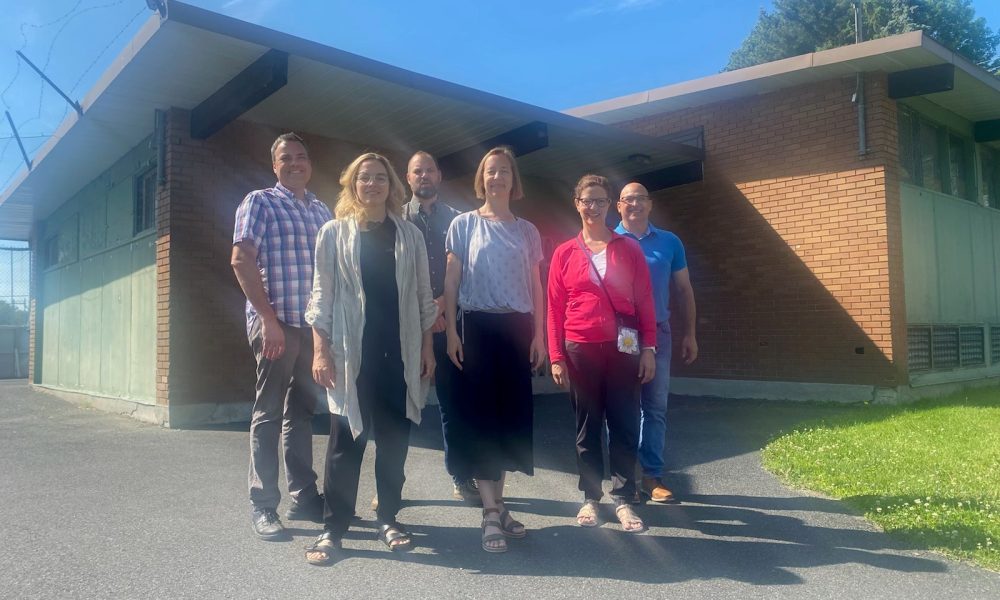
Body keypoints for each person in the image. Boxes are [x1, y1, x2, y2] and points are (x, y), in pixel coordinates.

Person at [303, 152, 436, 565]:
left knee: (395, 442)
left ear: (392, 186)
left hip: (399, 352)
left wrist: (427, 349)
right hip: (351, 354)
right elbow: (321, 296)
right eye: (365, 178)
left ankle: (388, 517)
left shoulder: (409, 235)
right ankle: (334, 527)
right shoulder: (333, 233)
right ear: (352, 185)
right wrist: (320, 350)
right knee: (346, 442)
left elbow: (422, 298)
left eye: (380, 178)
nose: (373, 184)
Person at [443, 146, 546, 553]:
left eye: (504, 170)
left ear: (512, 179)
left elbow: (535, 286)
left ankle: (497, 505)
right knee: (483, 418)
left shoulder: (528, 231)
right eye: (490, 171)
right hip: (479, 328)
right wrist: (452, 331)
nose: (497, 177)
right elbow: (451, 283)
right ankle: (490, 513)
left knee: (509, 419)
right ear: (481, 179)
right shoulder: (463, 225)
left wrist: (539, 335)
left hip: (517, 330)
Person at [231, 132, 331, 540]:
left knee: (302, 413)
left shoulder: (322, 210)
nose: (295, 163)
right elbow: (241, 259)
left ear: (309, 164)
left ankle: (304, 496)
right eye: (286, 158)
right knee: (269, 412)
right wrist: (268, 319)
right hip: (276, 324)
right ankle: (263, 505)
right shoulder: (260, 201)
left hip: (311, 329)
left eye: (302, 157)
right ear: (275, 165)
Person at [547, 174, 656, 533]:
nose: (593, 207)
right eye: (587, 200)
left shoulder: (629, 249)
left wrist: (649, 349)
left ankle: (624, 498)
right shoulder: (565, 252)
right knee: (587, 427)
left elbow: (645, 303)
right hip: (580, 349)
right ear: (576, 203)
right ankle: (591, 497)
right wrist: (556, 356)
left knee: (625, 423)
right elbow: (553, 308)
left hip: (624, 350)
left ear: (611, 206)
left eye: (600, 201)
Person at [402, 151, 480, 505]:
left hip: (450, 323)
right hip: (407, 327)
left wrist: (442, 305)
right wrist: (424, 310)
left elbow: (470, 271)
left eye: (429, 170)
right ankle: (392, 483)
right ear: (408, 178)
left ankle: (461, 476)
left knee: (456, 405)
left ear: (439, 175)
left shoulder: (459, 220)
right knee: (400, 405)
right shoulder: (396, 219)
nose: (424, 176)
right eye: (417, 171)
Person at [615, 182, 698, 503]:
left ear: (650, 205)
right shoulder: (607, 240)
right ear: (618, 206)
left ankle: (652, 476)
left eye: (640, 199)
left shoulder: (669, 242)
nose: (634, 204)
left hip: (659, 334)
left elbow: (684, 290)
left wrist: (690, 333)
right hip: (621, 334)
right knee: (621, 407)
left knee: (655, 406)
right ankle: (625, 477)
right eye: (628, 200)